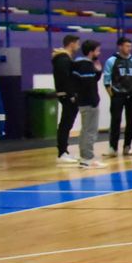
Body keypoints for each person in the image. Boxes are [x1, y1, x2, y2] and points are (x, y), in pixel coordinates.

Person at [102, 36, 132, 156]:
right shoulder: (112, 60)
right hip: (118, 95)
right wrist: (112, 95)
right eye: (126, 46)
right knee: (115, 121)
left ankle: (127, 146)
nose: (129, 48)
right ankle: (113, 148)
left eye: (130, 46)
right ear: (120, 46)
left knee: (131, 122)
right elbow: (106, 80)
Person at [70, 40, 104, 169]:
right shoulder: (86, 65)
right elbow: (88, 84)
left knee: (85, 130)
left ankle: (85, 156)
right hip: (89, 102)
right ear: (91, 52)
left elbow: (87, 81)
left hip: (83, 102)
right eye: (97, 50)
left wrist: (98, 72)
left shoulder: (78, 64)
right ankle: (87, 158)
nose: (98, 53)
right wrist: (95, 101)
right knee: (90, 130)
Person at [52, 34, 81, 164]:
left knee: (67, 123)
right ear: (71, 43)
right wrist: (71, 94)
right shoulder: (63, 59)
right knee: (65, 123)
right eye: (77, 43)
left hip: (67, 93)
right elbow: (65, 78)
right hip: (66, 94)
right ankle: (62, 151)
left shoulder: (66, 59)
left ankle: (64, 150)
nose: (78, 46)